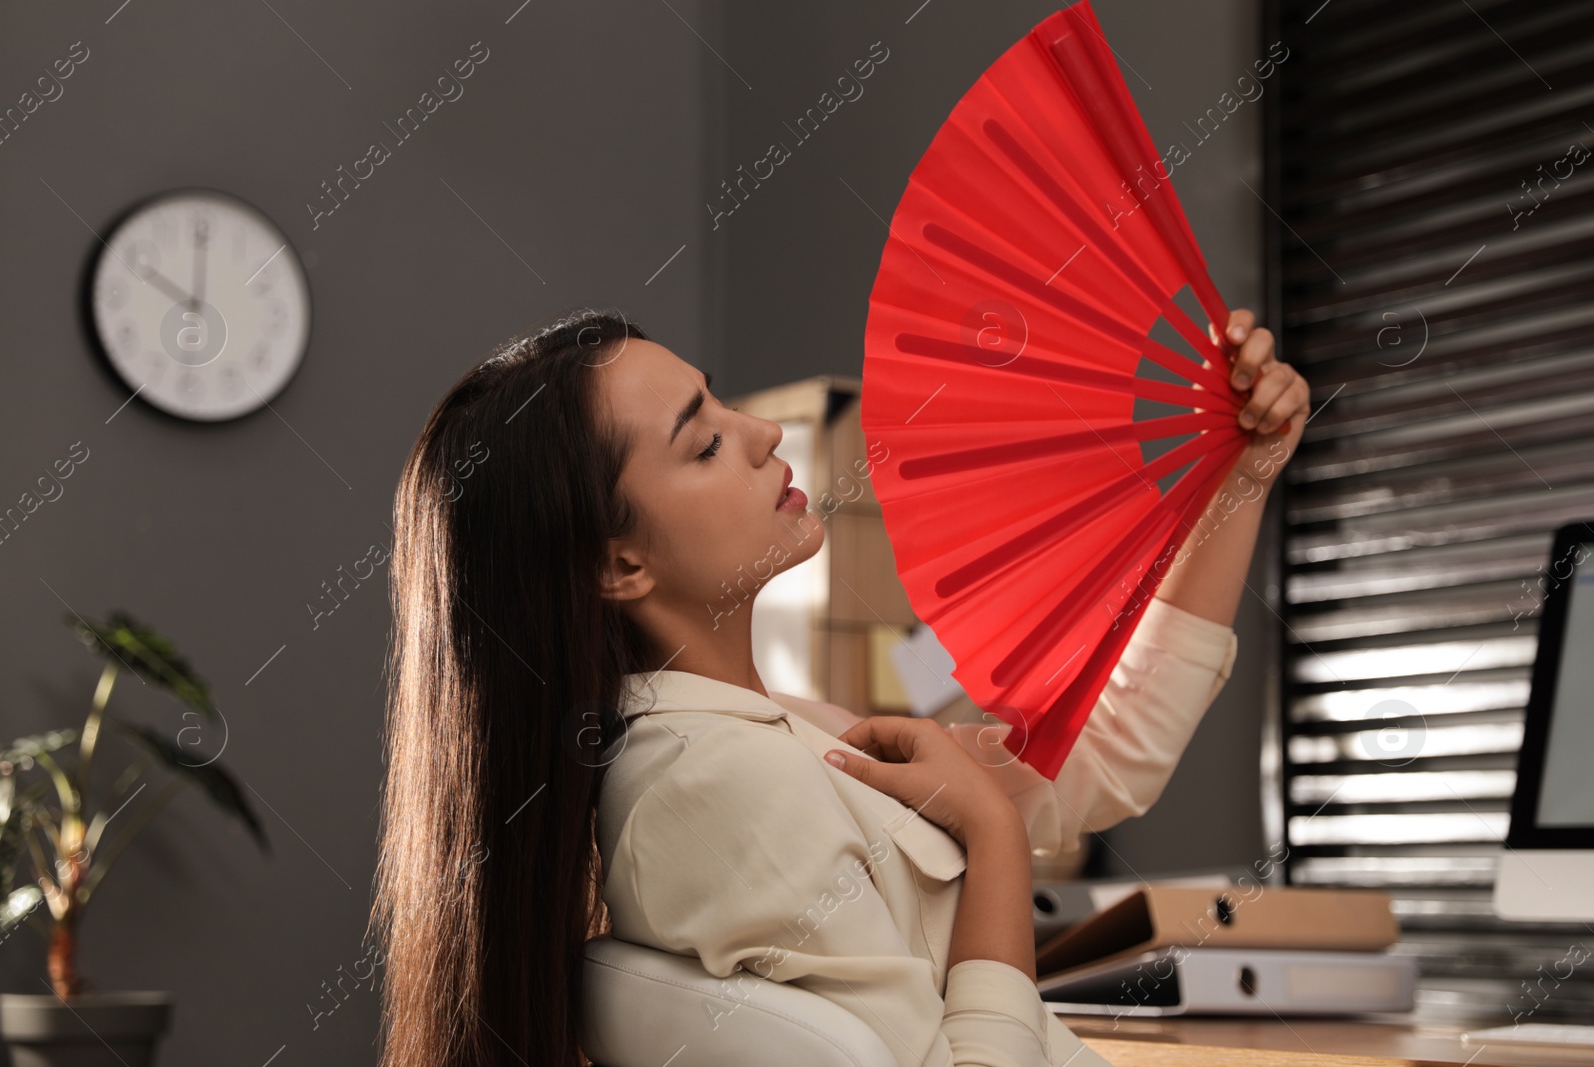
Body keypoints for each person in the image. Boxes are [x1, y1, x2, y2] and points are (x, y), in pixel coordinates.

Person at [372, 305, 1309, 1067]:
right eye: (703, 444)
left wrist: (1243, 475)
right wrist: (990, 839)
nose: (764, 431)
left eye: (720, 404)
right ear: (618, 564)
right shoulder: (717, 787)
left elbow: (1096, 766)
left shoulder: (770, 731)